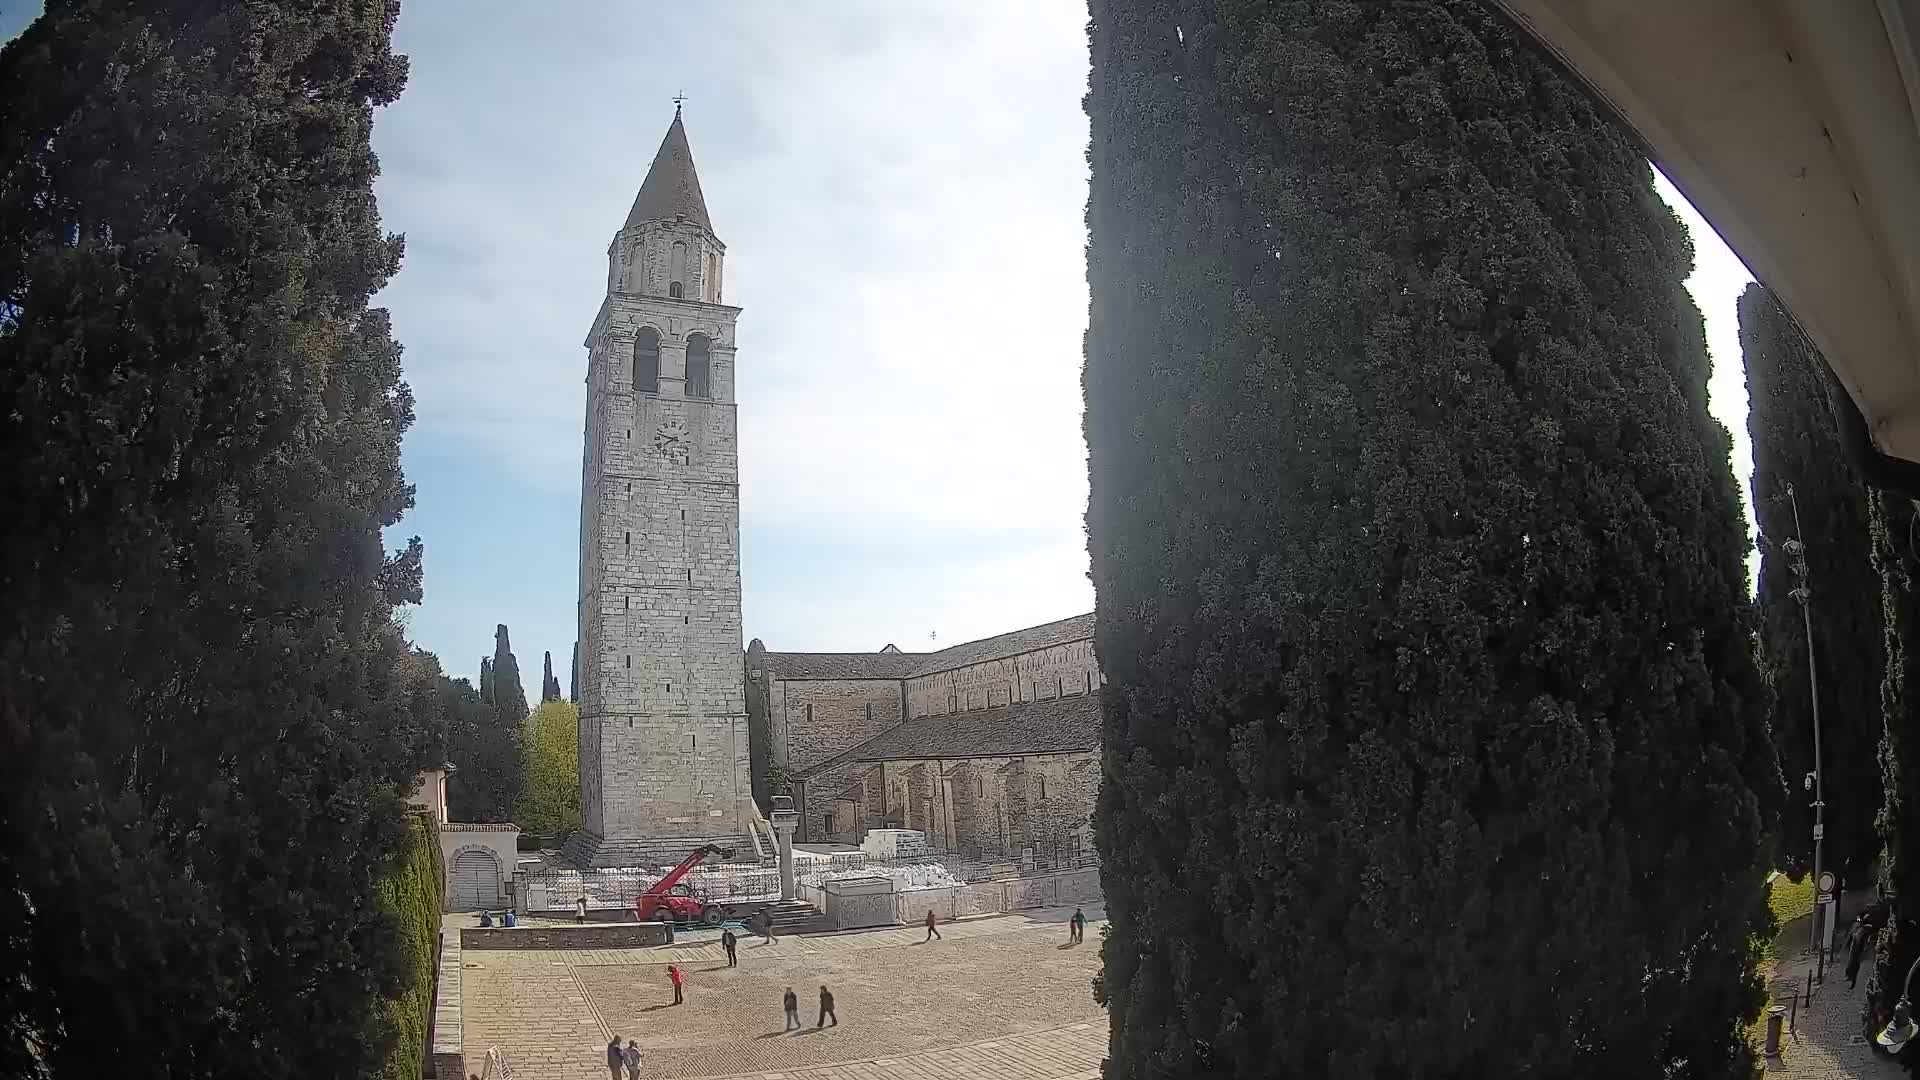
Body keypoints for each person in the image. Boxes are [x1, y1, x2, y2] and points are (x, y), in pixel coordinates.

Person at [1848, 913, 1879, 990]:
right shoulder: (1860, 929)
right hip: (1860, 952)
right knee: (1856, 966)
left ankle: (1854, 982)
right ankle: (1853, 981)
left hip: (1862, 954)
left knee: (1859, 968)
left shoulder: (1863, 930)